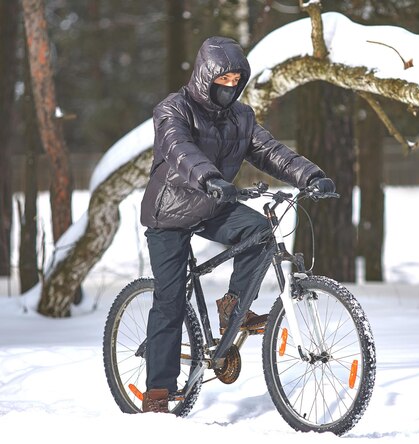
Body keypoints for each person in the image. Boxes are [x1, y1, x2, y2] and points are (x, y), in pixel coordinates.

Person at [138, 36, 335, 413]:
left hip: (214, 203)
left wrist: (310, 175)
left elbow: (269, 151)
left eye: (235, 79)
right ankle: (158, 391)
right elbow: (180, 150)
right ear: (204, 76)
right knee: (170, 300)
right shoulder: (172, 109)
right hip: (171, 211)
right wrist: (210, 178)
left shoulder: (241, 117)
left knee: (261, 231)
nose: (229, 86)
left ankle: (234, 306)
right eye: (222, 79)